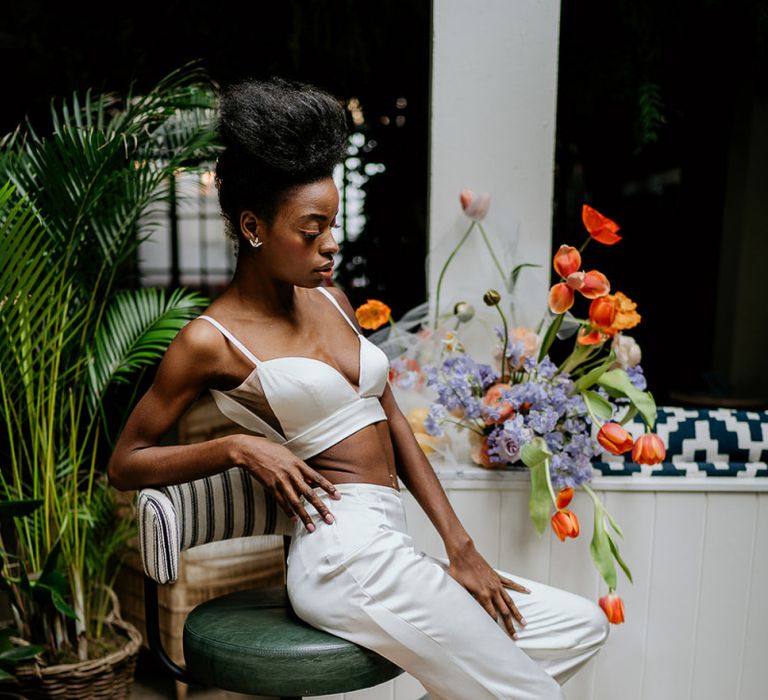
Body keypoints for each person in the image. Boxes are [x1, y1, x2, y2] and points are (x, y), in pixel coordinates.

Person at [107, 76, 609, 700]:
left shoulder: (332, 300)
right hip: (340, 559)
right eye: (311, 230)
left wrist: (461, 547)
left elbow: (392, 420)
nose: (331, 244)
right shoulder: (210, 340)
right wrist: (239, 449)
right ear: (254, 227)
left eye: (333, 224)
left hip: (391, 543)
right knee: (532, 695)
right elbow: (126, 463)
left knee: (578, 627)